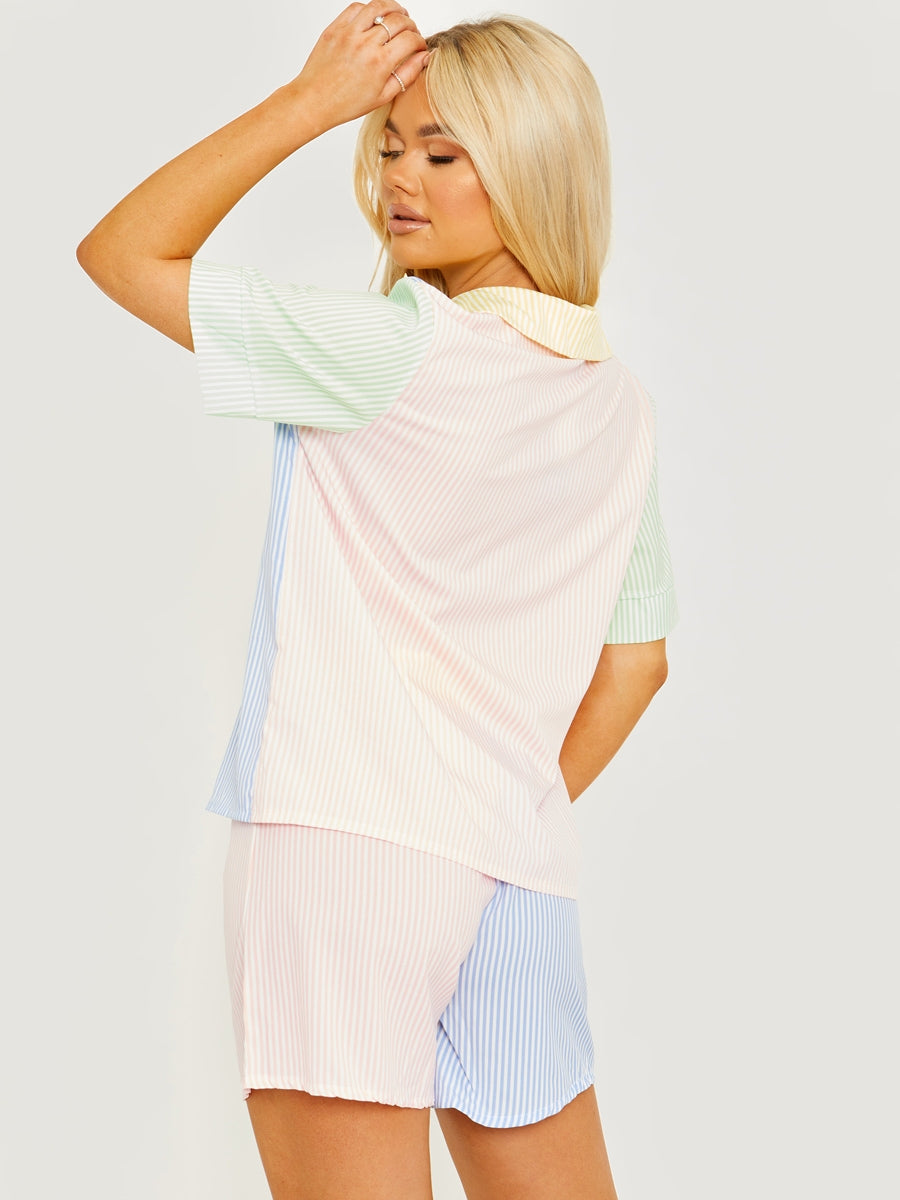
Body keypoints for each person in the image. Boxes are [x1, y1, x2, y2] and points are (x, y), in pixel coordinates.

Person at [77, 5, 677, 1197]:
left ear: (532, 168)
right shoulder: (619, 406)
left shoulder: (393, 348)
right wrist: (488, 800)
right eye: (389, 144)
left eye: (444, 153)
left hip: (345, 851)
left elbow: (124, 252)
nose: (400, 177)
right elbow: (635, 666)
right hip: (517, 869)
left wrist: (312, 101)